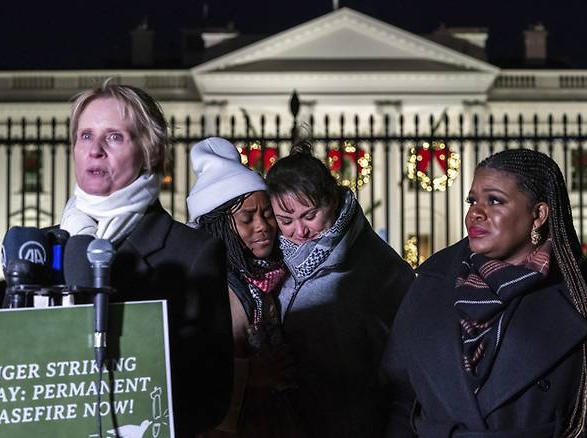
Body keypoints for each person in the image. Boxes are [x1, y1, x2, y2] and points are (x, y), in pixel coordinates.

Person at [382, 148, 587, 437]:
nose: (475, 213)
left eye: (495, 201)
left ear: (538, 215)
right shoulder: (430, 283)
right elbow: (398, 396)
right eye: (472, 200)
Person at [59, 82, 233, 438]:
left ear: (150, 152)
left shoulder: (193, 253)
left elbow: (212, 399)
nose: (94, 150)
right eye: (85, 136)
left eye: (114, 138)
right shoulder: (44, 247)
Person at [264, 141, 415, 438]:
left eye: (310, 215)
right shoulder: (266, 260)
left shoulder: (375, 264)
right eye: (286, 220)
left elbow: (411, 356)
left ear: (332, 200)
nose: (300, 230)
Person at [187, 137, 306, 438]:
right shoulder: (210, 285)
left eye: (267, 213)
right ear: (221, 226)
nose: (262, 226)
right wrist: (251, 374)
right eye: (246, 218)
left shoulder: (270, 275)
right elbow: (190, 365)